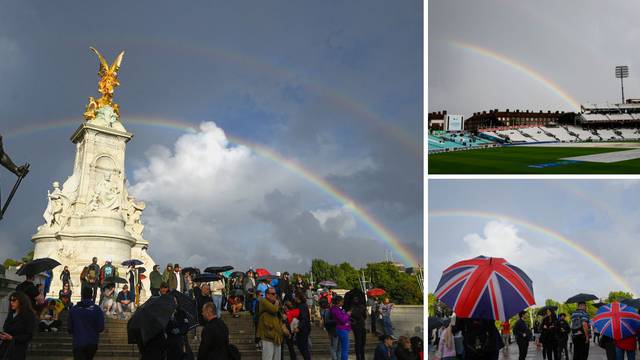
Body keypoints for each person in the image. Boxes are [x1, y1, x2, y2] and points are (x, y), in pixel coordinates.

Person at [68, 286, 105, 360]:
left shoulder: (74, 309)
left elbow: (70, 328)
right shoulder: (97, 309)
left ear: (82, 294)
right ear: (92, 295)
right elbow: (101, 327)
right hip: (92, 342)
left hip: (78, 342)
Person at [0, 292, 37, 360]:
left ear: (21, 301)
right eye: (10, 300)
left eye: (14, 300)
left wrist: (12, 338)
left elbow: (29, 335)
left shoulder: (29, 315)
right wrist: (3, 335)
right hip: (5, 348)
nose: (11, 302)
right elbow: (6, 328)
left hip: (18, 350)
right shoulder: (11, 314)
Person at [257, 287, 285, 360]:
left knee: (277, 358)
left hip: (277, 335)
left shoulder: (275, 303)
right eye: (273, 294)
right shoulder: (263, 301)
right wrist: (276, 303)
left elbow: (281, 316)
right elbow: (273, 310)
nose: (275, 295)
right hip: (267, 335)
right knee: (267, 357)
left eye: (275, 293)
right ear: (267, 295)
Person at [166, 292, 193, 360]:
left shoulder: (181, 312)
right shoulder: (166, 314)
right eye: (172, 302)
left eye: (175, 301)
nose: (174, 303)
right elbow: (164, 328)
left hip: (181, 342)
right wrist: (170, 322)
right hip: (170, 345)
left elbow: (186, 326)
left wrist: (179, 330)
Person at [331, 295, 351, 360]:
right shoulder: (335, 309)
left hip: (341, 329)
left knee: (341, 348)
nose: (343, 303)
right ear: (338, 302)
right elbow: (342, 320)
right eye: (342, 301)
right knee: (345, 349)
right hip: (342, 330)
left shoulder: (336, 309)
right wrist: (347, 314)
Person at [350, 293, 368, 360]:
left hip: (361, 325)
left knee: (362, 342)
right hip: (357, 325)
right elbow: (362, 316)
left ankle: (362, 356)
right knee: (358, 342)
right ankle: (359, 357)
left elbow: (365, 316)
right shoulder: (352, 307)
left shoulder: (361, 307)